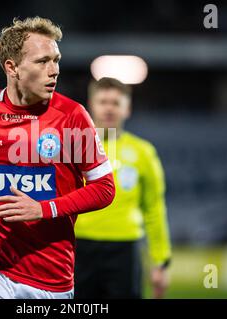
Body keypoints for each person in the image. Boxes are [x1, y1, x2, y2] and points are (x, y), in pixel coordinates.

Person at [0, 17, 116, 299]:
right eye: (43, 61)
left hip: (51, 279)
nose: (54, 70)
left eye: (56, 60)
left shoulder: (72, 116)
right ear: (12, 67)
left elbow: (104, 188)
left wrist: (45, 208)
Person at [74, 77, 172, 299]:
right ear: (91, 105)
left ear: (128, 109)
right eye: (103, 101)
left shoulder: (143, 152)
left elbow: (154, 209)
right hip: (78, 246)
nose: (109, 108)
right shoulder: (73, 148)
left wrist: (160, 261)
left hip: (125, 249)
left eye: (116, 103)